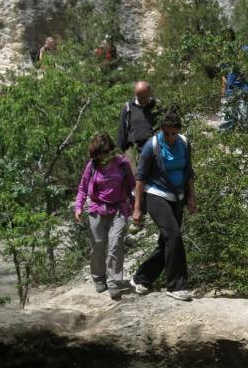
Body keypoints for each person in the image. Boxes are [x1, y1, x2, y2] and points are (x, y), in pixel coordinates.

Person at [129, 110, 196, 301]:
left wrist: (192, 197)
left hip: (178, 196)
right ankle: (176, 286)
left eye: (173, 133)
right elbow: (140, 178)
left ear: (178, 131)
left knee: (166, 241)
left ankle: (142, 278)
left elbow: (189, 171)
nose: (170, 137)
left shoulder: (184, 143)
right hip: (155, 194)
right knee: (174, 235)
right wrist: (137, 208)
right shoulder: (153, 145)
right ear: (161, 130)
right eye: (166, 133)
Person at [74, 133, 135, 300]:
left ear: (111, 149)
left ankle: (114, 282)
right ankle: (99, 278)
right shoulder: (91, 166)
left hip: (119, 209)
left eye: (106, 151)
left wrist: (137, 207)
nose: (104, 156)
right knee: (99, 246)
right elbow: (82, 189)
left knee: (115, 244)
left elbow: (132, 187)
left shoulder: (122, 164)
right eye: (100, 153)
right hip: (97, 208)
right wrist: (78, 207)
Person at [218, 45, 248, 132]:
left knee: (245, 122)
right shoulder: (228, 60)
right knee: (226, 123)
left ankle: (247, 142)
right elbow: (223, 76)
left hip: (245, 95)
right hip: (230, 95)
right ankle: (225, 142)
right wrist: (223, 95)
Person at [117, 81, 160, 154]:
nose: (143, 100)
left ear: (150, 93)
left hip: (156, 149)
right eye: (140, 98)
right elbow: (122, 132)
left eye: (145, 97)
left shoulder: (157, 105)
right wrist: (119, 153)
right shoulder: (128, 107)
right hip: (135, 150)